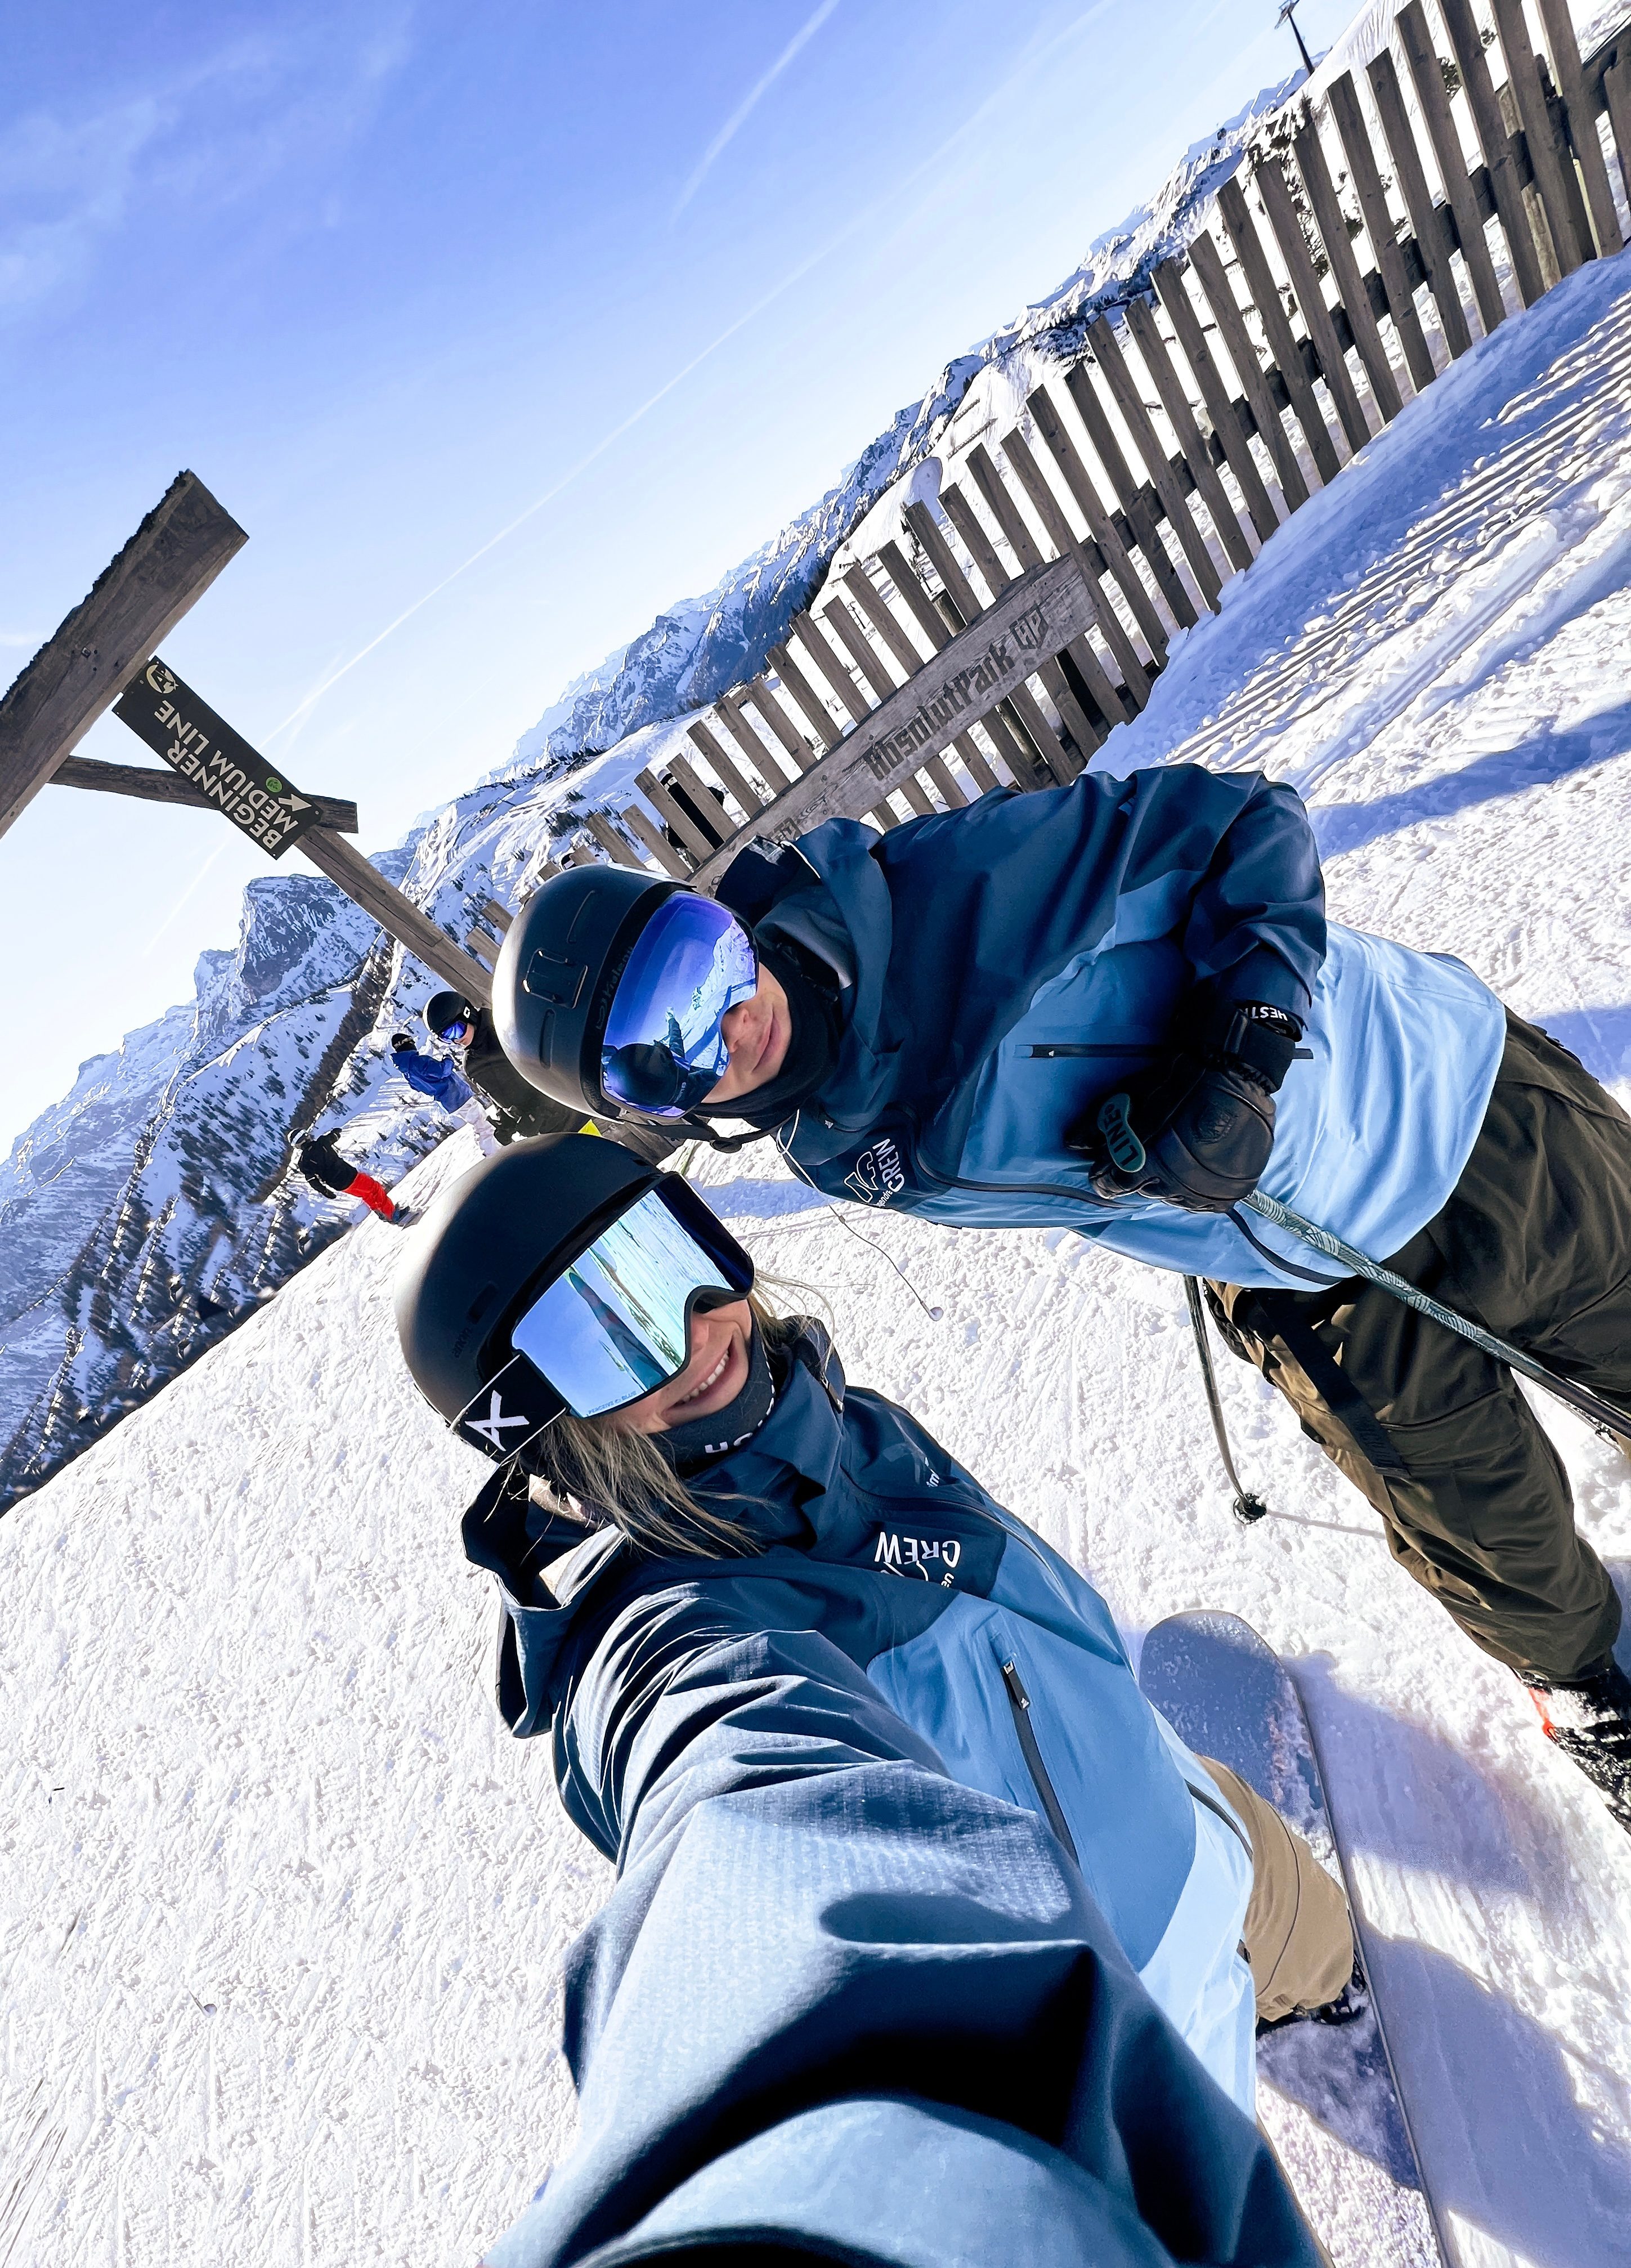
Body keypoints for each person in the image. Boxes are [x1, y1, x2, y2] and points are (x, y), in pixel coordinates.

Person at [489, 773, 1631, 1833]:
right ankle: (1582, 1690)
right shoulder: (833, 1148)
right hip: (1303, 1273)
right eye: (664, 1054)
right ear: (659, 1108)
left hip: (1447, 1104)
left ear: (718, 913)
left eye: (702, 963)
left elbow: (1249, 826)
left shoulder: (942, 891)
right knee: (1493, 1539)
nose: (732, 1027)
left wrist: (1244, 1045)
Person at [395, 1134, 1347, 2268]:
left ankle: (1315, 1997)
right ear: (538, 1422)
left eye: (667, 1258)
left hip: (1198, 1819)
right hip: (1116, 2015)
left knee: (1314, 1944)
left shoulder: (846, 1419)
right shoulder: (673, 1637)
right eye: (602, 1340)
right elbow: (750, 1830)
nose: (694, 1331)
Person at [422, 988, 581, 1145]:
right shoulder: (471, 1064)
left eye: (455, 1031)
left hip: (575, 1117)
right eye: (446, 1038)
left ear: (467, 1013)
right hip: (550, 1136)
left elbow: (553, 1069)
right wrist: (506, 1123)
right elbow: (499, 1098)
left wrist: (538, 1113)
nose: (456, 1040)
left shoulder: (505, 1030)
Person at [388, 1029, 501, 1156]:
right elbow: (442, 1071)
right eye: (411, 1041)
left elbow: (418, 1088)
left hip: (448, 1101)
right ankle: (493, 1153)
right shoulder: (417, 1062)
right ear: (406, 1044)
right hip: (457, 1095)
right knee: (482, 1122)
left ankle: (493, 1150)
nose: (414, 1044)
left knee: (478, 1123)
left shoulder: (406, 1072)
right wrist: (448, 1059)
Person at [294, 1129, 398, 1222]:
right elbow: (334, 1137)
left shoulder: (303, 1163)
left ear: (298, 1146)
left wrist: (325, 1191)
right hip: (349, 1175)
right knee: (375, 1188)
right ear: (306, 1136)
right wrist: (336, 1132)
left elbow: (312, 1180)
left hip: (339, 1186)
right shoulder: (322, 1142)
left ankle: (382, 1212)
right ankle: (392, 1214)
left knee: (366, 1194)